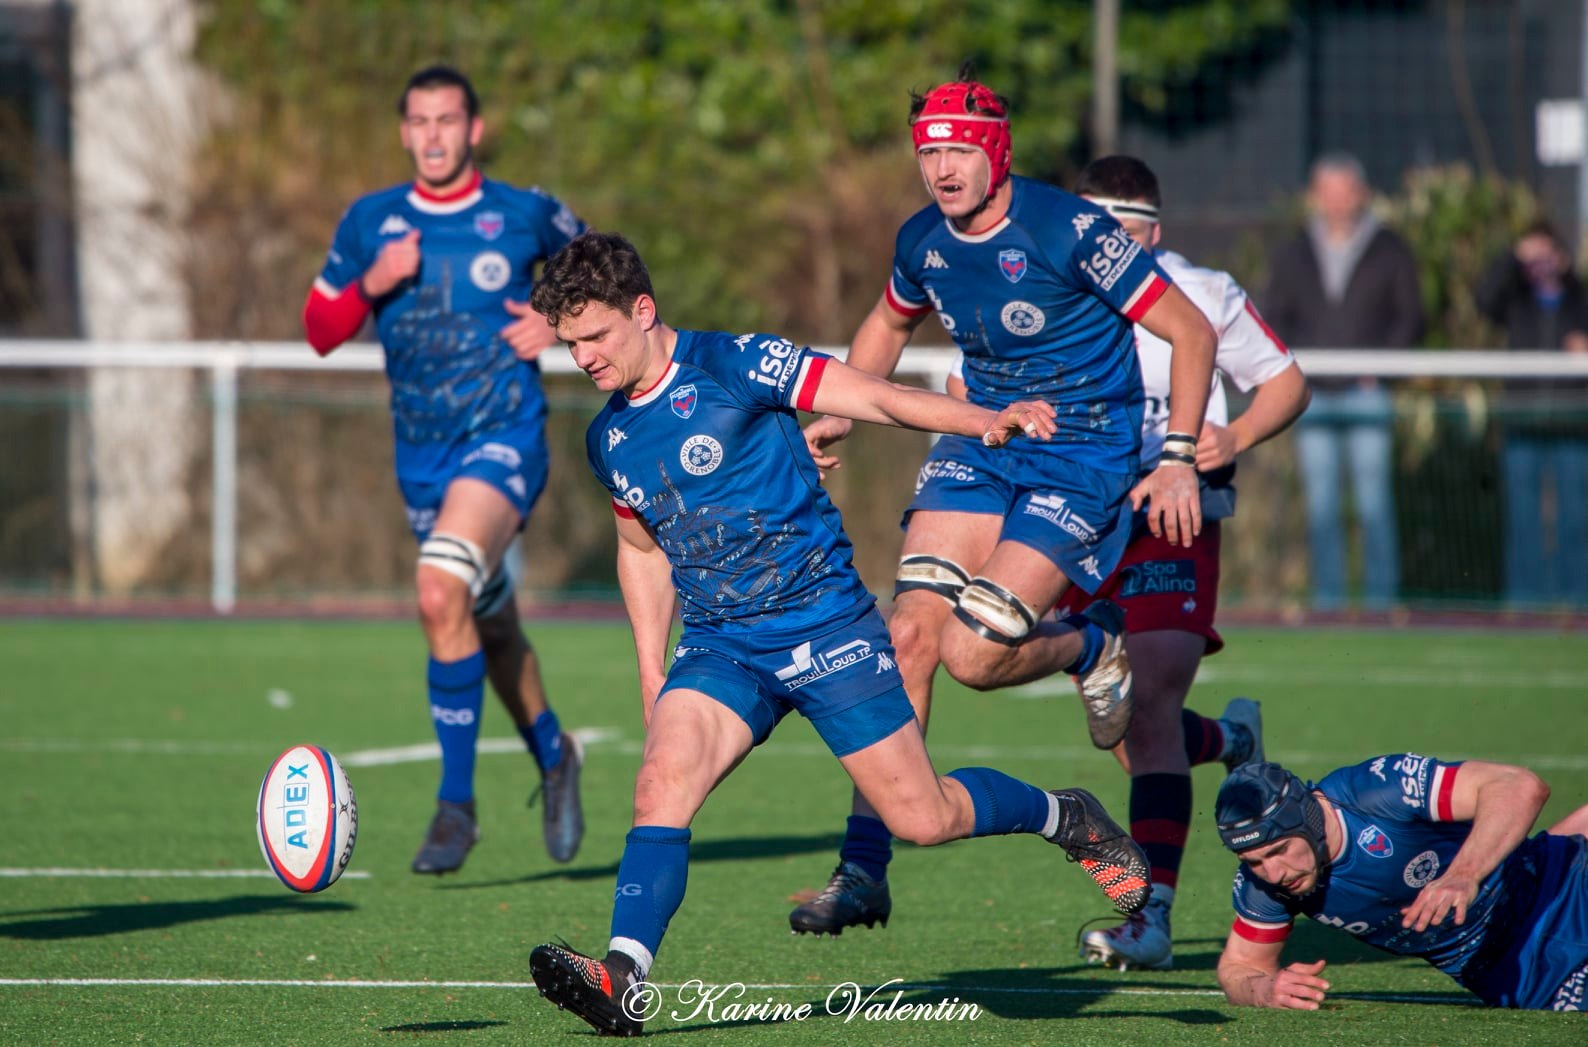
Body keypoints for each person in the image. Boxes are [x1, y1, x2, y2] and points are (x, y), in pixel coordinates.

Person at [523, 231, 1153, 1037]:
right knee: (661, 782)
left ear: (642, 311)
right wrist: (652, 670)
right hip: (723, 643)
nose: (583, 357)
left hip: (824, 624)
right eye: (569, 343)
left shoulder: (737, 363)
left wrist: (983, 418)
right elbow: (640, 548)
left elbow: (876, 397)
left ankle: (1061, 814)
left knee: (922, 819)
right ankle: (622, 975)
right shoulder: (608, 437)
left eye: (595, 336)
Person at [791, 71, 1217, 936]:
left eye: (956, 150)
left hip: (1080, 458)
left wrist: (1176, 460)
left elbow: (1190, 331)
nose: (941, 169)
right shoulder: (923, 240)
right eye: (928, 153)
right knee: (906, 635)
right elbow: (885, 323)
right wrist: (837, 408)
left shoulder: (1070, 229)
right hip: (985, 441)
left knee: (975, 654)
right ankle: (863, 867)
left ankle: (1090, 644)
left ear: (994, 153)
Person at [1004, 156, 1306, 971]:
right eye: (1095, 226)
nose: (1109, 244)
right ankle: (1233, 737)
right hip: (1074, 514)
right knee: (1130, 723)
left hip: (1174, 514)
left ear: (1155, 231)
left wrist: (1232, 437)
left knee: (1152, 698)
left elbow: (1285, 382)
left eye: (1125, 228)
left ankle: (1151, 915)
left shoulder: (1204, 292)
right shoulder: (1045, 287)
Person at [301, 65, 586, 874]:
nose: (433, 135)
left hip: (503, 439)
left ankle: (455, 807)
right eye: (419, 121)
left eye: (447, 119)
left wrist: (554, 318)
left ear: (475, 129)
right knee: (485, 624)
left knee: (436, 590)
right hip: (419, 460)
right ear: (403, 132)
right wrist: (373, 282)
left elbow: (614, 273)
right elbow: (321, 327)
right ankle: (555, 753)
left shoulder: (524, 214)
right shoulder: (371, 221)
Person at [1215, 757, 1588, 1011]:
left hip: (1564, 884)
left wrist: (1463, 874)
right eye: (1254, 861)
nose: (1274, 872)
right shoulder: (1264, 884)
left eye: (1281, 850)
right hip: (1525, 976)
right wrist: (1265, 991)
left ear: (1307, 817)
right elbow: (1239, 964)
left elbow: (1519, 785)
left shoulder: (1375, 791)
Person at [1263, 152, 1423, 611]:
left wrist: (1381, 367)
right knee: (1322, 509)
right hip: (1312, 398)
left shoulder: (1390, 247)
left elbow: (1410, 315)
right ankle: (1328, 606)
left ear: (1361, 195)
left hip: (1368, 394)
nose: (1335, 203)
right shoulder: (1293, 250)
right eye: (1326, 193)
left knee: (1374, 506)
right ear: (1315, 197)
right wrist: (1292, 375)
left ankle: (1380, 603)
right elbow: (1274, 316)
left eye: (1344, 192)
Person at [1474, 219, 1588, 607]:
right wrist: (1514, 257)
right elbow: (1484, 300)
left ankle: (1576, 599)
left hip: (1573, 423)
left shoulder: (1578, 298)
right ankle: (1524, 602)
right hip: (1522, 419)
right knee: (1523, 519)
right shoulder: (1516, 296)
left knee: (1574, 517)